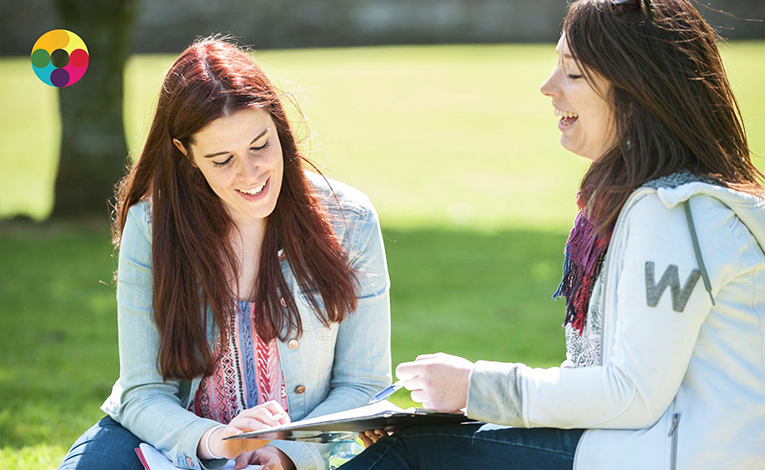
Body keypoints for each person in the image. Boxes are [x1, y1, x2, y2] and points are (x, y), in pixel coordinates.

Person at [344, 0, 765, 469]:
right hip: (641, 448)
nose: (548, 88)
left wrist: (476, 387)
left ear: (635, 89)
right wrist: (468, 404)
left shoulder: (675, 214)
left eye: (573, 74)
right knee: (430, 438)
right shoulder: (642, 203)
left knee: (413, 452)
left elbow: (633, 394)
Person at [57, 36, 391, 470]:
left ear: (279, 126)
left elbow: (363, 385)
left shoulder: (351, 220)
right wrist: (218, 440)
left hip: (298, 450)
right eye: (221, 160)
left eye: (259, 146)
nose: (250, 174)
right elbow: (143, 393)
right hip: (171, 443)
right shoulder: (153, 227)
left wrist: (289, 453)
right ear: (187, 154)